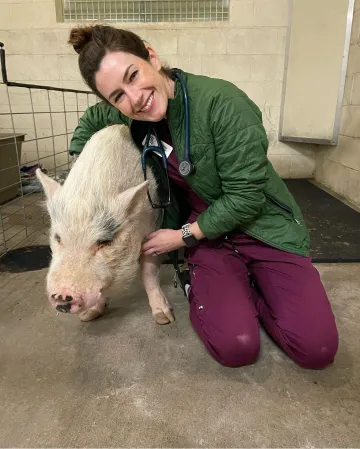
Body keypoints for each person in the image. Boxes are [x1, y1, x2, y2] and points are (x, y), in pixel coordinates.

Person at [67, 24, 339, 370]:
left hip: (263, 226)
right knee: (236, 348)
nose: (134, 98)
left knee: (316, 350)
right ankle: (222, 287)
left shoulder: (223, 103)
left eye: (133, 76)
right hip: (210, 238)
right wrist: (77, 170)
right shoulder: (130, 112)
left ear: (152, 55)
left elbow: (245, 197)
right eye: (117, 96)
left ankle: (250, 285)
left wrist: (179, 236)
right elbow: (91, 119)